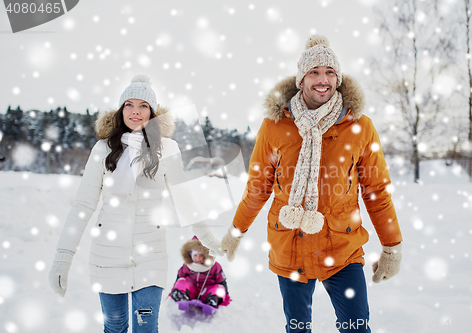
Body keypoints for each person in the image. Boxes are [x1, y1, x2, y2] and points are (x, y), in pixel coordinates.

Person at [220, 35, 403, 333]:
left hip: (343, 247)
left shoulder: (359, 126)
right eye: (314, 72)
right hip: (291, 247)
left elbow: (376, 191)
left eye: (330, 72)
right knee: (297, 328)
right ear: (301, 79)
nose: (323, 80)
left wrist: (391, 247)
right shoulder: (275, 125)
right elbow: (258, 186)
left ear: (338, 79)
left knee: (356, 327)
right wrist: (236, 230)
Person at [48, 75, 223, 333]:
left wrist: (207, 237)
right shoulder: (103, 149)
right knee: (115, 325)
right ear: (120, 110)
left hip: (149, 257)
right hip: (107, 256)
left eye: (143, 105)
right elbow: (83, 206)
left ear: (152, 112)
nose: (136, 111)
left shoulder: (167, 149)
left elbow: (183, 199)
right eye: (129, 104)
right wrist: (62, 258)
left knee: (146, 327)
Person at [170, 236, 231, 308]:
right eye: (195, 255)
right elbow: (180, 278)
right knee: (182, 281)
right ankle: (181, 295)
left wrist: (225, 294)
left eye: (201, 255)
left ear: (206, 256)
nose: (198, 258)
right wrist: (176, 288)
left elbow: (222, 282)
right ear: (191, 256)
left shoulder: (214, 266)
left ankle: (213, 300)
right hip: (191, 290)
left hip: (207, 292)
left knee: (219, 288)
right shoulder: (188, 266)